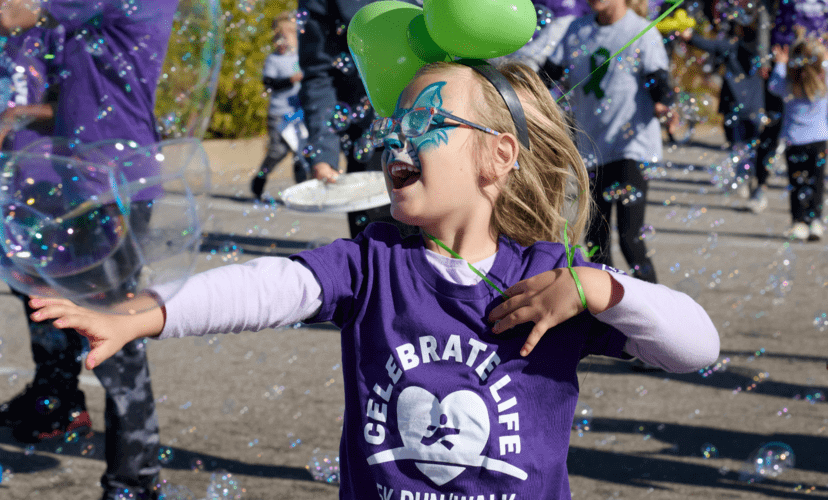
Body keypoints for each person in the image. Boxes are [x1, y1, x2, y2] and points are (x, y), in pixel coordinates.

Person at [28, 59, 720, 499]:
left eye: (424, 123)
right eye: (392, 125)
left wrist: (602, 288)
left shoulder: (551, 281)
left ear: (498, 156)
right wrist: (141, 313)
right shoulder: (372, 262)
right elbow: (266, 286)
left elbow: (697, 348)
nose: (395, 141)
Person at [0, 2, 179, 499]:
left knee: (116, 336)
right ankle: (64, 411)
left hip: (113, 184)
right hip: (84, 180)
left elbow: (15, 12)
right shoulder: (85, 18)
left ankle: (135, 482)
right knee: (63, 310)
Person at [544, 0, 674, 284]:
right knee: (595, 242)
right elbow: (547, 75)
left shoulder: (641, 30)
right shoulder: (577, 29)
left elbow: (660, 80)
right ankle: (610, 312)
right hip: (590, 147)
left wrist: (664, 103)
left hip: (631, 145)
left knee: (630, 238)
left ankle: (656, 310)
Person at [298, 0, 421, 238]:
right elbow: (321, 74)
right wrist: (323, 152)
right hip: (378, 145)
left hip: (458, 131)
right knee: (385, 257)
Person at [679, 6, 766, 206]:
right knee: (752, 146)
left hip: (733, 104)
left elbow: (709, 45)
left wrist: (689, 36)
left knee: (737, 146)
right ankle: (750, 178)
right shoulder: (761, 52)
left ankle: (742, 179)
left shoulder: (732, 47)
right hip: (755, 107)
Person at [767, 37, 827, 241]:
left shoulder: (788, 84)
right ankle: (816, 221)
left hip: (794, 141)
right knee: (817, 182)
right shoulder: (823, 82)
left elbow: (773, 85)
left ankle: (799, 222)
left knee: (797, 183)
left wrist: (781, 63)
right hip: (819, 140)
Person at [250, 12, 307, 200]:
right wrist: (290, 79)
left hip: (297, 113)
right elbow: (269, 83)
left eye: (288, 36)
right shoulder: (273, 59)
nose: (282, 41)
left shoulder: (300, 56)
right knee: (278, 151)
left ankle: (303, 191)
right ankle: (260, 177)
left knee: (301, 152)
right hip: (278, 114)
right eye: (278, 37)